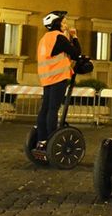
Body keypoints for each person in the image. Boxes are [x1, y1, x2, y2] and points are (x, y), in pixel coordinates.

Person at [34, 10, 81, 151]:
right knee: (53, 110)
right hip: (58, 77)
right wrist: (74, 37)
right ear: (57, 24)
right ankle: (51, 139)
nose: (66, 25)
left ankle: (41, 140)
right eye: (64, 22)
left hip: (46, 77)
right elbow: (76, 53)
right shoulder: (58, 37)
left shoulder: (45, 38)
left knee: (45, 109)